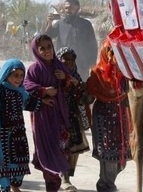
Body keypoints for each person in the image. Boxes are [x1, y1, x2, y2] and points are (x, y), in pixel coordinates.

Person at [0, 58, 54, 192]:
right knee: (2, 165)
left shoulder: (21, 92)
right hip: (1, 135)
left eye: (21, 76)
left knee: (19, 164)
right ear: (6, 74)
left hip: (18, 135)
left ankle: (15, 186)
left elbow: (29, 102)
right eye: (15, 75)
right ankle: (4, 188)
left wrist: (43, 102)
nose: (19, 79)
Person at [23, 34, 75, 192]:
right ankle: (50, 187)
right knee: (46, 148)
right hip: (42, 117)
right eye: (42, 48)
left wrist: (65, 78)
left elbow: (71, 86)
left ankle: (58, 183)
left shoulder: (59, 66)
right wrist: (44, 91)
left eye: (49, 47)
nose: (46, 51)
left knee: (61, 149)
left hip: (60, 115)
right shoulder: (34, 68)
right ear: (36, 50)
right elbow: (26, 86)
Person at [86, 39, 132, 192]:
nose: (113, 55)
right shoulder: (96, 73)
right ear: (104, 53)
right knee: (106, 154)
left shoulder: (125, 73)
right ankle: (106, 185)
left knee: (120, 158)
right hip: (103, 118)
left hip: (120, 116)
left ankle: (106, 182)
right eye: (110, 51)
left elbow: (131, 95)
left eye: (116, 52)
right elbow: (89, 97)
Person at [56, 47, 92, 190]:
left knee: (73, 149)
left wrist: (77, 85)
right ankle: (62, 178)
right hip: (58, 117)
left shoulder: (76, 77)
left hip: (73, 117)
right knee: (61, 147)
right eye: (65, 59)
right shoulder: (54, 75)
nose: (68, 62)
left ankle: (67, 177)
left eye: (71, 59)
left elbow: (86, 98)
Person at [43, 0, 98, 81]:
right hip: (62, 63)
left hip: (81, 64)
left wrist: (92, 62)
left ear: (77, 8)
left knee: (80, 86)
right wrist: (49, 23)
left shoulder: (86, 24)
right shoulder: (60, 24)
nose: (67, 10)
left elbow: (92, 44)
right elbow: (47, 36)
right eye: (66, 8)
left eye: (70, 8)